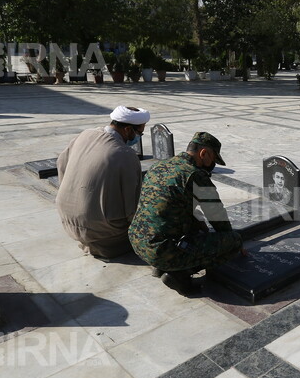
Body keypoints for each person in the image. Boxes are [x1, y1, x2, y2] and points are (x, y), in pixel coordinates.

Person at [128, 132, 244, 294]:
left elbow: (165, 207)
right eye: (213, 160)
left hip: (137, 241)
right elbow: (217, 217)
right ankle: (179, 274)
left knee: (193, 228)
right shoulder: (195, 174)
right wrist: (232, 241)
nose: (212, 165)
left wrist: (196, 223)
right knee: (233, 240)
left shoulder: (161, 165)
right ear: (203, 153)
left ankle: (159, 266)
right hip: (162, 251)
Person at [56, 105, 148, 259]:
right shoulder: (125, 154)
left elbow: (61, 164)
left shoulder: (85, 134)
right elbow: (132, 207)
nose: (139, 136)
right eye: (140, 132)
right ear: (127, 130)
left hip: (67, 221)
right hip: (104, 233)